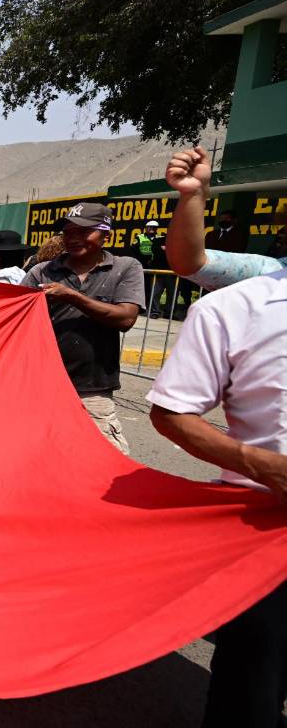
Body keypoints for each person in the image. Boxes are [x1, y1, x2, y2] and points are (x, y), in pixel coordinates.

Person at [145, 267, 287, 728]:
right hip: (265, 535)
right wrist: (263, 464)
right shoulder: (233, 308)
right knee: (252, 688)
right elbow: (172, 413)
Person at [21, 203, 144, 454]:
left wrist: (72, 297)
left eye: (83, 232)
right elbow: (14, 315)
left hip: (92, 390)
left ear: (106, 234)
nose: (73, 239)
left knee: (106, 463)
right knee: (38, 459)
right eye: (68, 232)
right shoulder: (41, 271)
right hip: (41, 386)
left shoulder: (125, 267)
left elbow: (125, 319)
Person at [165, 146, 286, 289]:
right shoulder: (274, 272)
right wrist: (193, 194)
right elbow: (189, 263)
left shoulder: (239, 234)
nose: (223, 220)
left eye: (226, 218)